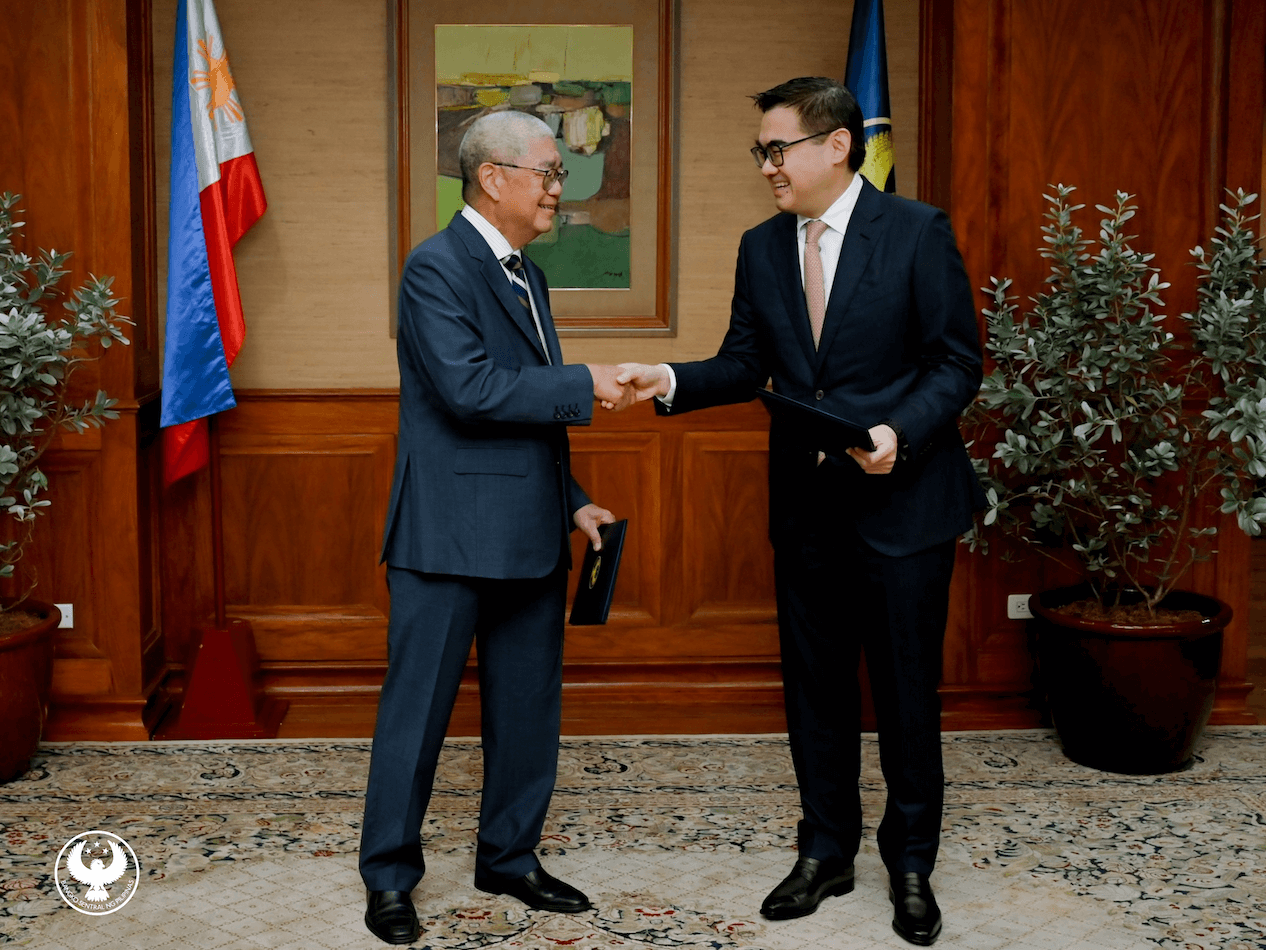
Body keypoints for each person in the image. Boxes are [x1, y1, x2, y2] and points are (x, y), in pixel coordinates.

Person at [615, 77, 983, 947]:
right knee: (815, 691)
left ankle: (912, 861)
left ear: (837, 146)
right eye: (762, 152)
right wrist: (665, 380)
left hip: (905, 503)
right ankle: (825, 849)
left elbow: (957, 363)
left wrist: (898, 432)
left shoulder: (917, 231)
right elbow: (746, 363)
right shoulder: (760, 246)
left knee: (903, 692)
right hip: (809, 510)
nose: (768, 166)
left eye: (778, 148)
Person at [359, 109, 633, 946]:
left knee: (527, 710)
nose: (560, 187)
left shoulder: (528, 276)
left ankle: (509, 858)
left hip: (529, 529)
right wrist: (587, 381)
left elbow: (528, 415)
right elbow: (472, 392)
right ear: (493, 178)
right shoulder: (435, 268)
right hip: (446, 535)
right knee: (418, 715)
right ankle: (391, 879)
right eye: (549, 172)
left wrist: (572, 498)